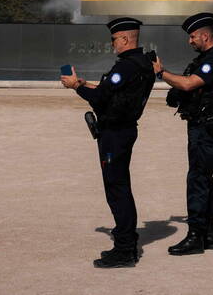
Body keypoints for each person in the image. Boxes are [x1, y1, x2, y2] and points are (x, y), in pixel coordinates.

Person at [60, 17, 155, 268]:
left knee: (117, 189)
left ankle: (124, 249)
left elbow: (102, 97)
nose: (112, 44)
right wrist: (82, 83)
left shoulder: (125, 67)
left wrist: (75, 87)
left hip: (115, 133)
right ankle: (126, 241)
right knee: (120, 186)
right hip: (124, 130)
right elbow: (112, 91)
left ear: (124, 39)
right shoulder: (144, 63)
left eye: (114, 39)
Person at [155, 12, 213, 256]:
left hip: (205, 125)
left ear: (205, 36)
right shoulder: (206, 59)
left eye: (192, 36)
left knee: (197, 180)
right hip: (202, 123)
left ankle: (195, 237)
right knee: (203, 178)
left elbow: (189, 84)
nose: (190, 41)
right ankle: (207, 233)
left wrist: (161, 72)